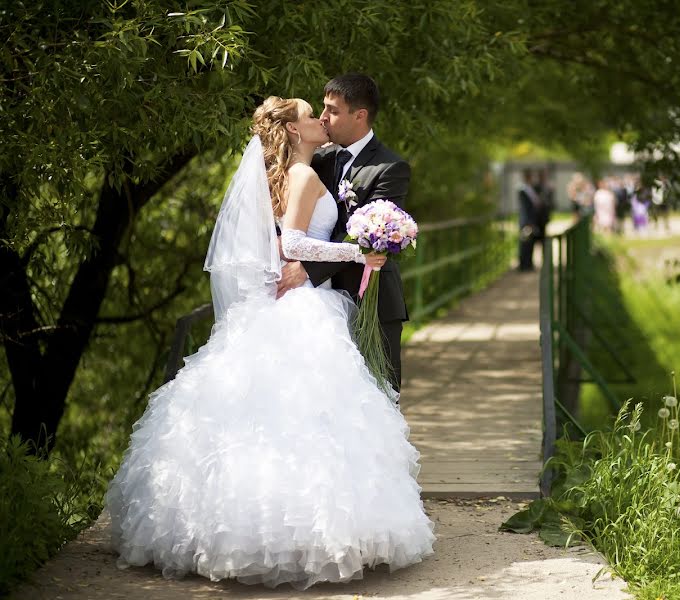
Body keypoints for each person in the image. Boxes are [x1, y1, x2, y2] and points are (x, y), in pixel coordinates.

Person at [104, 96, 436, 589]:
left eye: (326, 111)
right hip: (309, 306)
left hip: (302, 300)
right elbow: (293, 246)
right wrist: (363, 249)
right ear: (296, 130)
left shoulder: (292, 171)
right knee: (313, 418)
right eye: (311, 114)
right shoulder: (304, 174)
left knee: (286, 417)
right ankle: (311, 537)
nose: (320, 119)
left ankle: (258, 532)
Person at [276, 74, 408, 393]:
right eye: (322, 109)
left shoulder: (390, 168)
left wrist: (307, 268)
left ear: (359, 115)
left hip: (369, 301)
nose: (323, 118)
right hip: (318, 304)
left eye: (332, 110)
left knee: (379, 397)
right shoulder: (316, 159)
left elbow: (368, 236)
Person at [517, 168, 542, 271]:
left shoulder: (529, 189)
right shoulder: (523, 190)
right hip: (526, 221)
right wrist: (528, 222)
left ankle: (528, 264)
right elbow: (525, 208)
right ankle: (524, 265)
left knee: (530, 243)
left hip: (531, 221)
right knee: (525, 243)